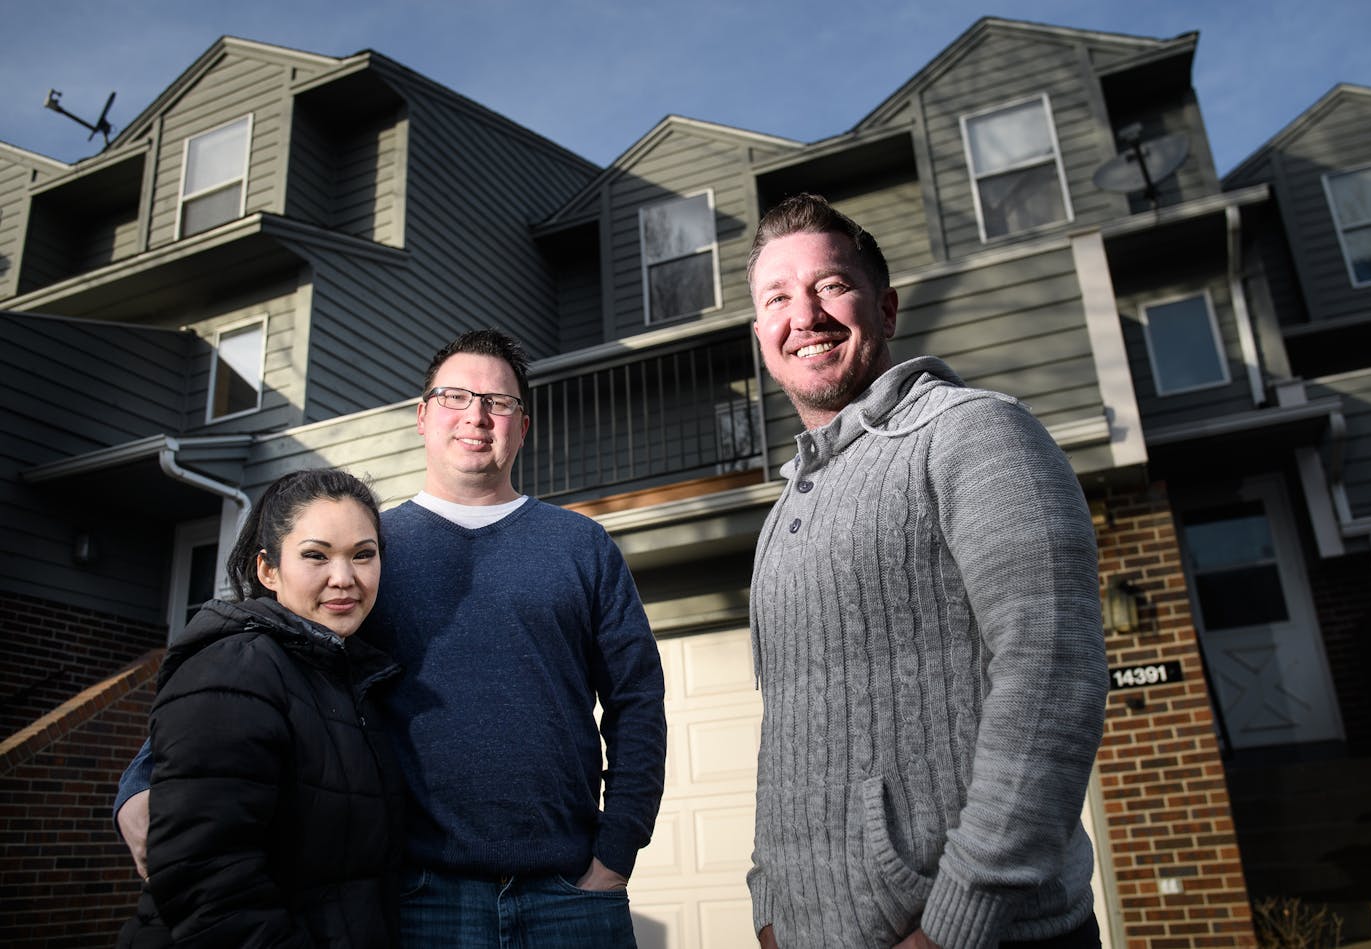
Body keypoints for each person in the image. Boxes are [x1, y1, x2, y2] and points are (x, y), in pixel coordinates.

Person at [118, 329, 666, 949]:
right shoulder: (369, 551)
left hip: (570, 892)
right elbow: (257, 651)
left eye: (499, 402)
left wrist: (616, 852)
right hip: (416, 895)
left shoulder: (580, 545)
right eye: (456, 397)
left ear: (523, 426)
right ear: (423, 416)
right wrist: (143, 775)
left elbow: (637, 702)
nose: (478, 416)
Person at [744, 194, 1108, 949]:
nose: (803, 314)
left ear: (886, 307)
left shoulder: (974, 431)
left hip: (990, 936)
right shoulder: (786, 507)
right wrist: (769, 902)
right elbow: (789, 726)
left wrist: (958, 922)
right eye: (777, 296)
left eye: (831, 285)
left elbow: (1053, 674)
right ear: (759, 334)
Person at [116, 468, 402, 948]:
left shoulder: (346, 675)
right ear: (268, 569)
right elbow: (207, 881)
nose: (344, 578)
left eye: (363, 555)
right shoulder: (234, 669)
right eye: (316, 555)